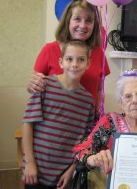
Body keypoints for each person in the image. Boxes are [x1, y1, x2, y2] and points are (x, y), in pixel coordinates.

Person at [22, 40, 95, 189]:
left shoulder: (88, 100)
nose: (74, 64)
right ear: (61, 62)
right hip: (36, 172)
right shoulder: (44, 86)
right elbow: (28, 124)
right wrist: (29, 162)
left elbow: (85, 141)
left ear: (88, 64)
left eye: (81, 60)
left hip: (64, 177)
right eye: (69, 59)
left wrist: (71, 170)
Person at [27, 0, 110, 117]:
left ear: (94, 25)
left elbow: (98, 90)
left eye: (88, 21)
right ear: (68, 21)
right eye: (77, 19)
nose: (82, 25)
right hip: (53, 123)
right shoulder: (49, 50)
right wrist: (32, 85)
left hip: (85, 125)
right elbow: (33, 88)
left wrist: (98, 116)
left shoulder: (99, 53)